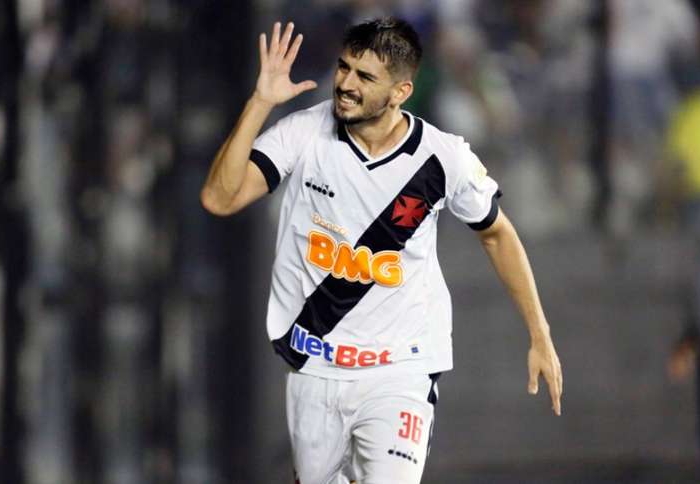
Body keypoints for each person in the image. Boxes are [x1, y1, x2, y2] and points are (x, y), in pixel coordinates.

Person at [201, 17, 563, 484]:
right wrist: (259, 103)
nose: (346, 85)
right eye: (344, 68)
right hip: (315, 363)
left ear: (400, 92)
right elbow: (219, 198)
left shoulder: (442, 157)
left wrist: (540, 331)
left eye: (365, 77)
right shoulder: (304, 134)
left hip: (401, 368)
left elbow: (497, 233)